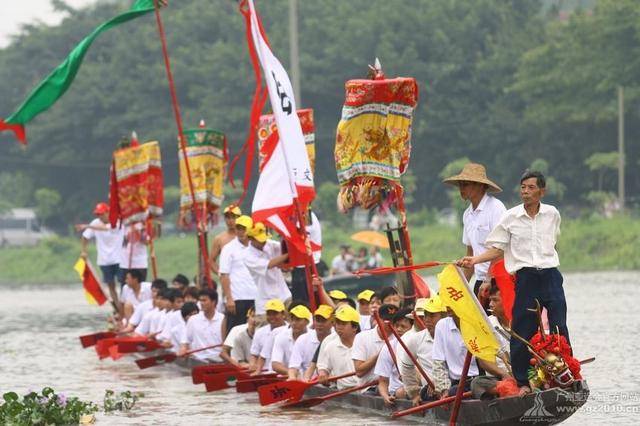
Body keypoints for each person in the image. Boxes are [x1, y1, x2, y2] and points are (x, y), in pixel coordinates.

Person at [459, 170, 568, 395]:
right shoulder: (511, 216)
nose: (525, 192)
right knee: (521, 329)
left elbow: (553, 242)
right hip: (526, 277)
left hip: (550, 275)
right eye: (523, 188)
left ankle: (564, 372)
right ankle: (522, 383)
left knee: (559, 326)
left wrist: (549, 264)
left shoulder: (552, 213)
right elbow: (497, 248)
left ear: (542, 191)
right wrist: (475, 259)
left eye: (530, 188)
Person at [443, 162, 506, 302]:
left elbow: (500, 250)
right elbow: (470, 254)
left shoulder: (496, 208)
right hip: (481, 280)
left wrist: (489, 279)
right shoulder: (467, 215)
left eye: (465, 184)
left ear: (480, 186)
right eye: (460, 185)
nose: (461, 189)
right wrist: (461, 286)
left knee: (501, 322)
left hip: (499, 279)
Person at [398, 296, 447, 405]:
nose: (427, 320)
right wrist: (414, 394)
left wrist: (440, 382)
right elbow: (406, 367)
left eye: (432, 315)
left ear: (444, 316)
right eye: (425, 315)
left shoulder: (456, 336)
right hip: (430, 392)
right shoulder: (415, 340)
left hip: (453, 386)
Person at [470, 281, 512, 400]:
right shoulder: (486, 325)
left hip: (522, 374)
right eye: (490, 300)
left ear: (507, 300)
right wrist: (504, 374)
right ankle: (506, 391)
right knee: (477, 383)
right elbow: (484, 361)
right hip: (499, 378)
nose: (491, 304)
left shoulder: (520, 322)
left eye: (495, 300)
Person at [243, 222, 291, 325]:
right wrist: (288, 255)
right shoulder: (247, 256)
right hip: (265, 302)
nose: (264, 242)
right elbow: (270, 264)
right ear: (250, 238)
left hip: (284, 295)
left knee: (291, 330)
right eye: (259, 240)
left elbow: (284, 254)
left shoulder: (270, 244)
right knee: (264, 334)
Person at [78, 202, 124, 306]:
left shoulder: (116, 221)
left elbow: (108, 228)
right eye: (98, 214)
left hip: (119, 259)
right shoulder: (95, 223)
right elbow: (85, 237)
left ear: (108, 212)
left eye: (101, 214)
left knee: (123, 284)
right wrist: (84, 251)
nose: (99, 216)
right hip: (104, 261)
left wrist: (88, 226)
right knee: (111, 286)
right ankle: (117, 308)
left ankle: (123, 306)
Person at [219, 215, 258, 334]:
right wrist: (229, 298)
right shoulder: (228, 248)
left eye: (244, 229)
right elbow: (224, 275)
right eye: (238, 228)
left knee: (255, 330)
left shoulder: (257, 246)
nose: (240, 232)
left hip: (256, 296)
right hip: (238, 297)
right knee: (235, 331)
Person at [432, 307, 480, 398]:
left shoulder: (478, 322)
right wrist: (444, 389)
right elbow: (438, 362)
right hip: (458, 384)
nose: (448, 306)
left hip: (480, 380)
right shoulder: (442, 325)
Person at [352, 304, 397, 394]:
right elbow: (359, 372)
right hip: (370, 388)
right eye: (386, 320)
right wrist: (382, 353)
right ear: (378, 319)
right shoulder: (362, 337)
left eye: (393, 321)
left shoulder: (401, 338)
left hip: (394, 387)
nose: (389, 324)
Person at [375, 308, 413, 405]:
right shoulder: (389, 347)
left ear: (412, 328)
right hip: (397, 392)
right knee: (402, 392)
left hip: (417, 387)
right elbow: (383, 381)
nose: (399, 329)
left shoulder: (420, 343)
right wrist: (385, 396)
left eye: (403, 326)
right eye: (396, 326)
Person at [316, 305, 360, 390]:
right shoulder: (330, 346)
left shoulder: (364, 343)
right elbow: (323, 367)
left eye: (343, 324)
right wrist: (323, 374)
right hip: (344, 391)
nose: (339, 327)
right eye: (338, 323)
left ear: (355, 327)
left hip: (366, 390)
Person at [288, 304, 334, 380]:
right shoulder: (303, 339)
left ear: (332, 323)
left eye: (323, 321)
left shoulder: (337, 338)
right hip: (308, 383)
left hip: (332, 382)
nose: (319, 324)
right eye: (317, 320)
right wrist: (292, 377)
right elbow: (293, 367)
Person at [179, 288, 225, 362]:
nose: (201, 303)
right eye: (200, 300)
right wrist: (183, 349)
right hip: (199, 359)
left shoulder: (223, 319)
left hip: (219, 359)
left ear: (214, 302)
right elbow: (185, 341)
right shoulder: (193, 320)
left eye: (204, 300)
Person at [271, 305, 312, 375]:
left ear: (307, 322)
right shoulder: (281, 337)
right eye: (292, 319)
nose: (294, 323)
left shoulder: (313, 336)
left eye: (298, 319)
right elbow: (275, 364)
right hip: (287, 378)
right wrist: (292, 373)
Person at [250, 299, 287, 374]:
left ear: (283, 314)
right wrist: (253, 365)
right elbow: (254, 354)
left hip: (286, 372)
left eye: (275, 313)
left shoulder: (291, 329)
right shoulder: (259, 332)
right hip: (266, 373)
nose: (272, 317)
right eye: (269, 314)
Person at [210, 205, 241, 276]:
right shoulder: (219, 239)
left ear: (239, 218)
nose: (230, 221)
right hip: (228, 280)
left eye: (233, 217)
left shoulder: (246, 237)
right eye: (227, 218)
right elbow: (211, 261)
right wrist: (221, 274)